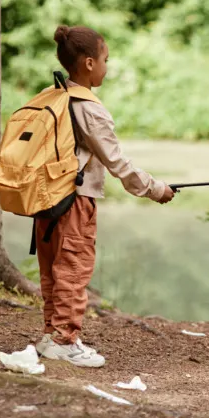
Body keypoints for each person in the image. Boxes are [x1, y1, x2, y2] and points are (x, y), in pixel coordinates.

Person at [34, 25, 176, 367]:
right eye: (105, 60)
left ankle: (51, 335)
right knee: (73, 269)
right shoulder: (89, 108)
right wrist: (155, 189)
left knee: (53, 270)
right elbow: (117, 162)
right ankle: (65, 341)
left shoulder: (52, 95)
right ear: (87, 63)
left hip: (45, 199)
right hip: (74, 201)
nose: (107, 67)